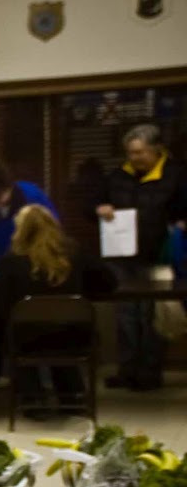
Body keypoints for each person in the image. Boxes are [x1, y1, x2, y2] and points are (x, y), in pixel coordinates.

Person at [0, 204, 115, 417]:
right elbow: (109, 282)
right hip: (74, 338)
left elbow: (4, 306)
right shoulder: (75, 253)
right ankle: (72, 396)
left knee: (20, 331)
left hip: (27, 341)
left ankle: (33, 399)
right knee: (61, 331)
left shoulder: (10, 262)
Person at [96, 123, 187, 391]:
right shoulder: (116, 176)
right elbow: (93, 205)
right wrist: (100, 208)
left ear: (156, 149)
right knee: (126, 315)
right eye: (130, 153)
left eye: (140, 153)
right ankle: (126, 370)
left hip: (158, 256)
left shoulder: (176, 175)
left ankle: (149, 372)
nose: (134, 158)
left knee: (152, 316)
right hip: (121, 257)